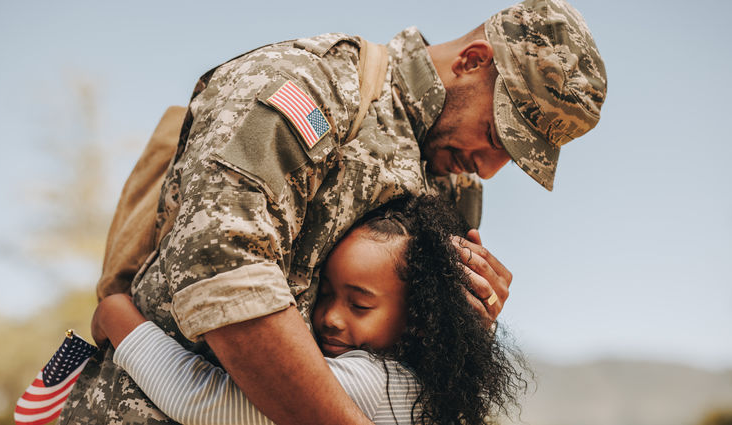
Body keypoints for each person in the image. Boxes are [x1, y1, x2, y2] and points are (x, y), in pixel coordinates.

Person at [60, 0, 606, 423]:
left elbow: (411, 368)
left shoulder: (454, 184)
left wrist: (469, 323)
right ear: (473, 60)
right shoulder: (310, 86)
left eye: (511, 158)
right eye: (495, 136)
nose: (489, 168)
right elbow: (224, 273)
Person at [93, 195, 527, 425]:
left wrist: (117, 315)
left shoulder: (371, 381)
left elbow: (202, 401)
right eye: (325, 295)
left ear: (419, 319)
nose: (331, 318)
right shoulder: (432, 389)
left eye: (359, 304)